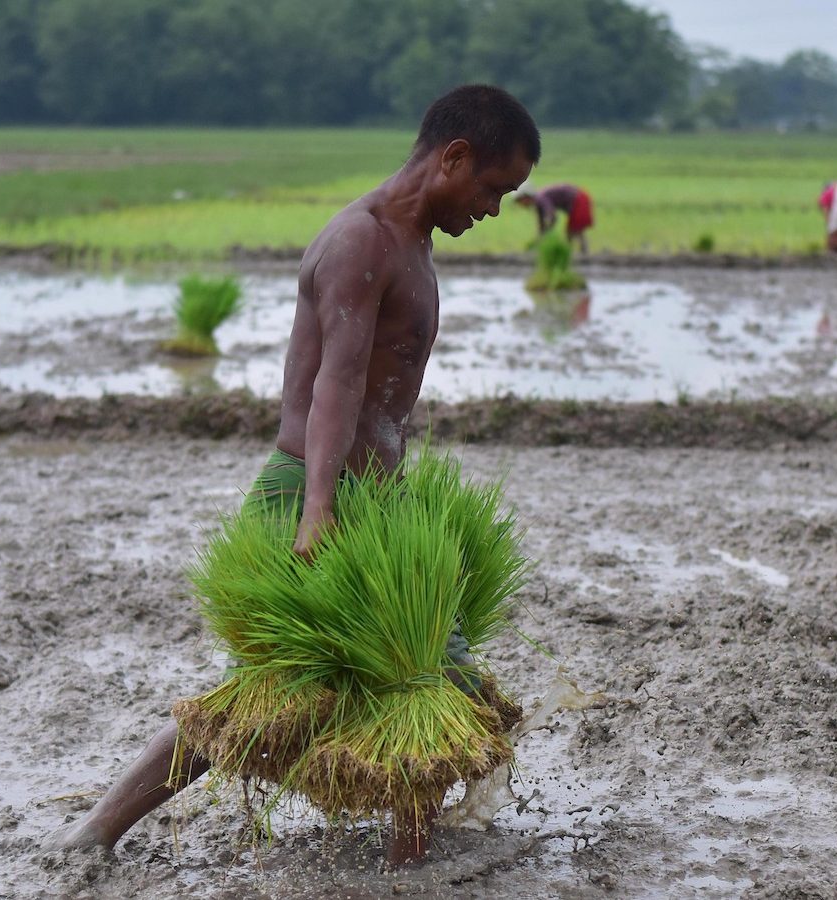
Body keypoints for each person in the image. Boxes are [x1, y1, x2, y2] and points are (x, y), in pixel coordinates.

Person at [42, 84, 540, 865]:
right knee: (266, 695)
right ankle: (95, 831)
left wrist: (386, 495)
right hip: (313, 490)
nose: (494, 209)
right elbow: (334, 385)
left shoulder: (412, 242)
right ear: (454, 157)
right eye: (492, 189)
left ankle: (413, 857)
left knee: (430, 676)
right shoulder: (361, 242)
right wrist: (317, 512)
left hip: (375, 498)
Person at [515, 182, 594, 252]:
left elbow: (551, 214)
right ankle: (580, 253)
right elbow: (541, 224)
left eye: (520, 201)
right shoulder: (538, 202)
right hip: (579, 199)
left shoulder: (540, 198)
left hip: (579, 200)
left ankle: (580, 254)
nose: (521, 205)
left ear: (526, 197)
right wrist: (541, 236)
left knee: (574, 231)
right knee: (573, 232)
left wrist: (547, 230)